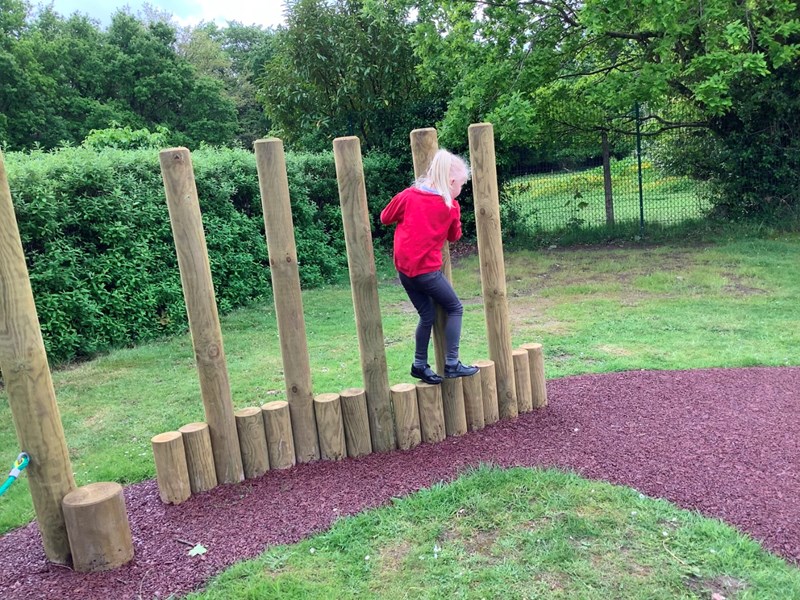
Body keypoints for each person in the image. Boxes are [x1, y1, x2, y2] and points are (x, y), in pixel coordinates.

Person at [380, 149, 479, 385]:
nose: (461, 190)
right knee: (455, 308)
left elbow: (385, 217)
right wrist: (453, 212)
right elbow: (454, 236)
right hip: (427, 274)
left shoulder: (408, 196)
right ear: (451, 182)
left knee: (427, 315)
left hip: (405, 272)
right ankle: (452, 363)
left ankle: (419, 364)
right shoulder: (450, 207)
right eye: (461, 185)